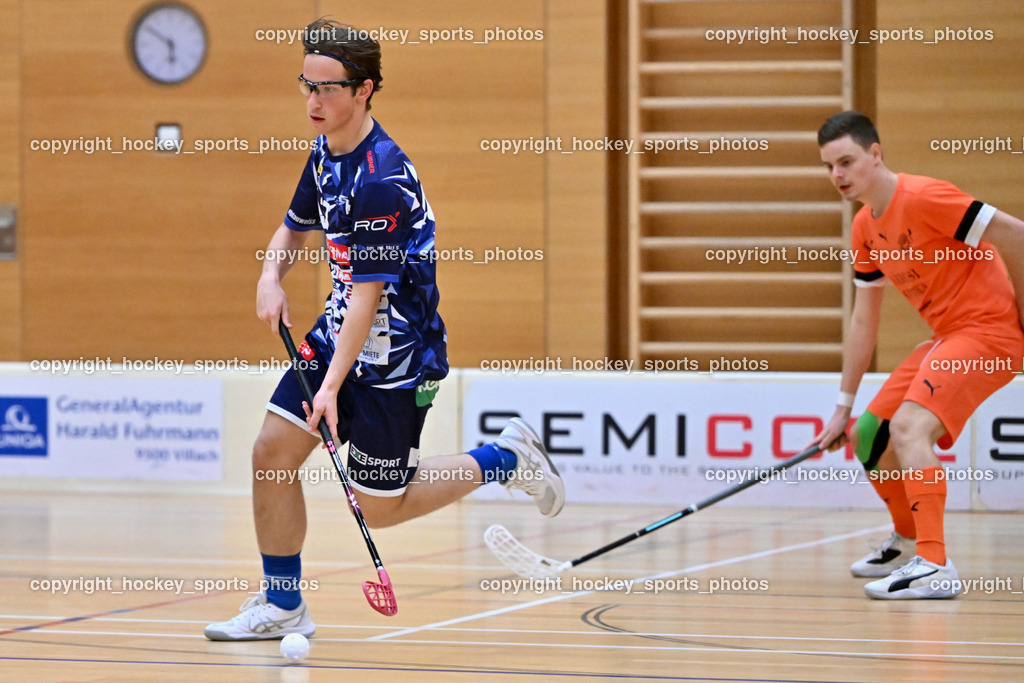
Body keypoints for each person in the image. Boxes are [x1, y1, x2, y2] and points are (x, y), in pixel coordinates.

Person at [204, 18, 564, 640]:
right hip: (340, 333)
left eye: (328, 90)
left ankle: (504, 457)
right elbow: (294, 225)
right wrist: (271, 275)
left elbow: (370, 295)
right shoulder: (326, 152)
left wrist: (329, 386)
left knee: (381, 506)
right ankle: (283, 603)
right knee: (272, 453)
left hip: (396, 357)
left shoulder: (381, 179)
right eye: (306, 87)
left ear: (365, 89)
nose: (313, 103)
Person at [813, 111, 1024, 599]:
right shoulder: (865, 227)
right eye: (828, 167)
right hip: (947, 336)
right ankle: (908, 544)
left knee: (908, 429)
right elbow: (864, 319)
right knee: (869, 433)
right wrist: (842, 406)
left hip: (989, 334)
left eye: (846, 161)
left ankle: (934, 565)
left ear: (875, 154)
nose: (837, 176)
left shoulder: (926, 197)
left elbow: (1015, 234)